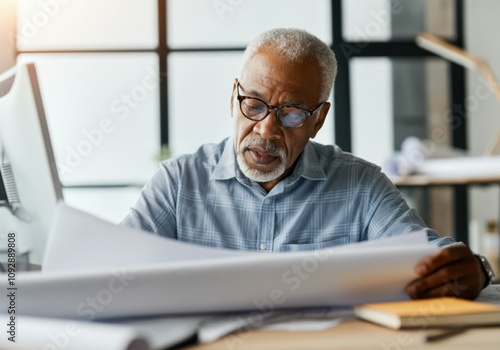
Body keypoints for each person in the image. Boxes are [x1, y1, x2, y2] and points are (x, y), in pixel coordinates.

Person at [121, 28, 493, 300]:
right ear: (233, 99)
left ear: (319, 120)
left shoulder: (360, 186)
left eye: (292, 113)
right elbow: (110, 272)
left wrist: (478, 269)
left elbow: (429, 257)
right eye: (254, 103)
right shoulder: (178, 183)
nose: (266, 129)